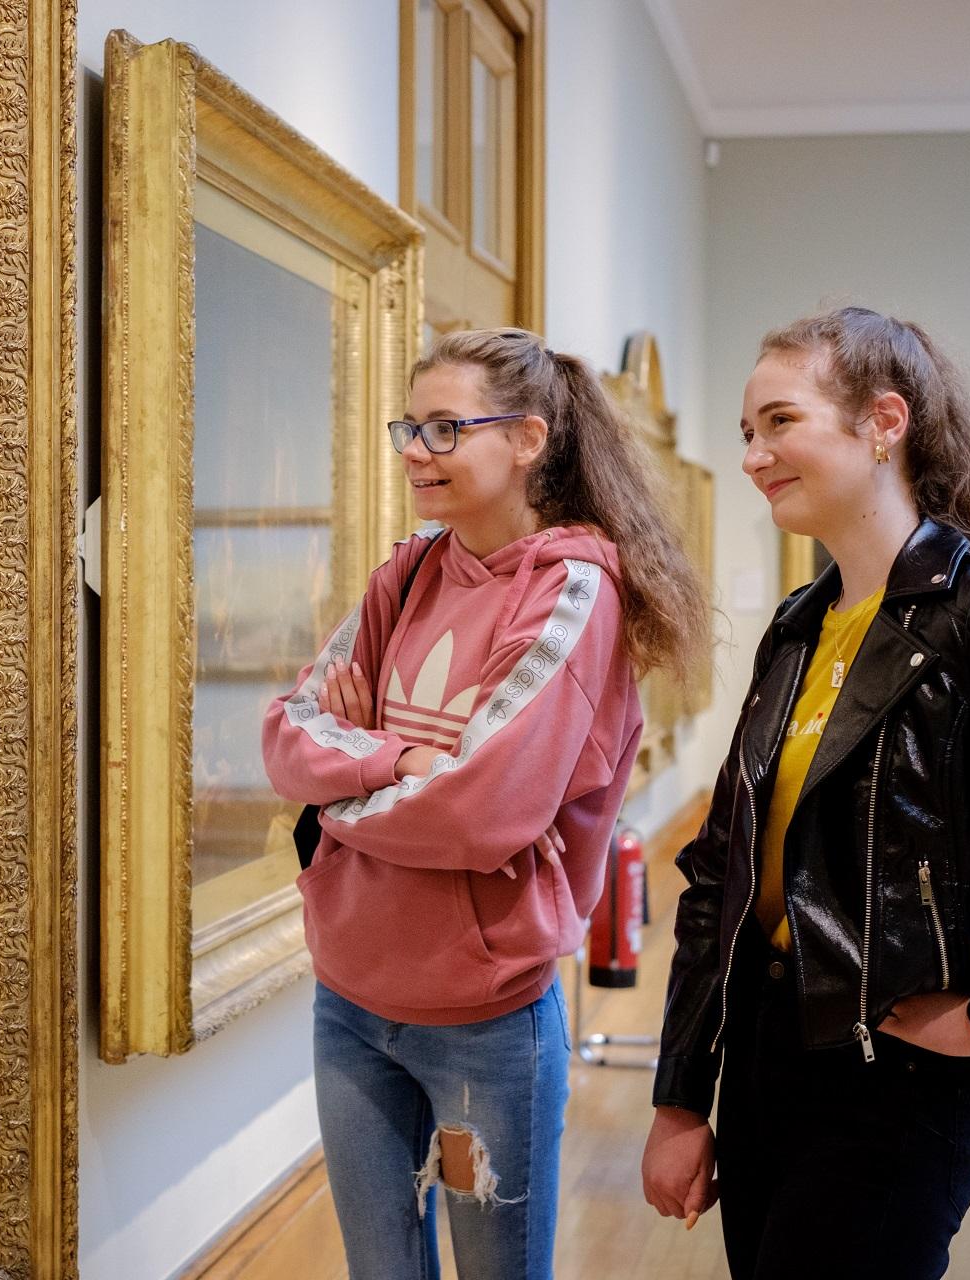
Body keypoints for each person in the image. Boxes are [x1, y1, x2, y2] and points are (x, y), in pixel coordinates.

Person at [642, 307, 970, 1280]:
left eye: (780, 421)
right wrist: (682, 1093)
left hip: (892, 1079)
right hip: (764, 1056)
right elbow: (722, 868)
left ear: (885, 421)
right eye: (746, 432)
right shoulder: (800, 624)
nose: (756, 454)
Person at [261, 327, 708, 1280]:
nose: (417, 451)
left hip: (485, 1019)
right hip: (348, 996)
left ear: (530, 440)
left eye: (446, 428)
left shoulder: (573, 591)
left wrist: (345, 787)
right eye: (410, 428)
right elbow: (286, 729)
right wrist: (401, 758)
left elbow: (480, 811)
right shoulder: (414, 567)